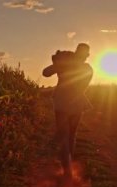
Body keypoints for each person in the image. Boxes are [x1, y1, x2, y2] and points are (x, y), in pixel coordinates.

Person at [43, 43, 93, 178]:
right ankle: (68, 167)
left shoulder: (65, 63)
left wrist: (58, 62)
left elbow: (45, 73)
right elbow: (83, 87)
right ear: (86, 56)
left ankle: (67, 170)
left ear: (76, 52)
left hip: (62, 103)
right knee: (71, 136)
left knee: (64, 136)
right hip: (77, 104)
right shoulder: (88, 69)